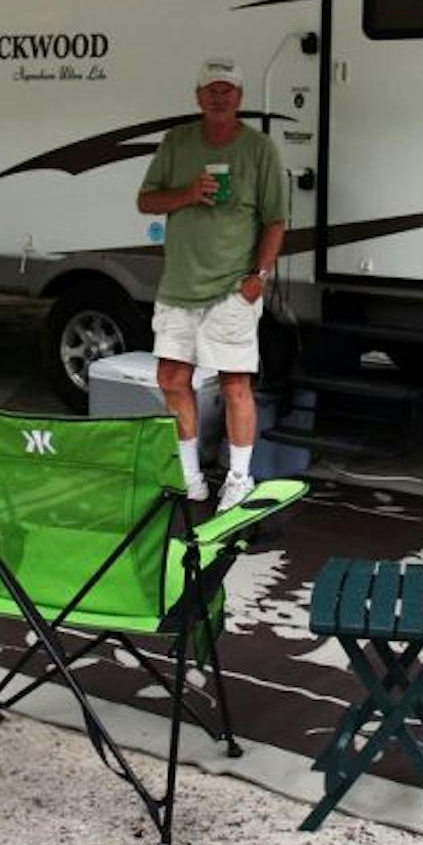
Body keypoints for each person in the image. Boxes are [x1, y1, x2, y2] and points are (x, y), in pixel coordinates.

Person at [136, 58, 287, 508]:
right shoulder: (177, 142)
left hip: (231, 288)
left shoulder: (259, 149)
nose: (219, 97)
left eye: (227, 90)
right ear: (198, 97)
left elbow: (275, 221)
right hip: (179, 284)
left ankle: (238, 479)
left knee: (235, 384)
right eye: (211, 90)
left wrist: (258, 277)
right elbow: (146, 200)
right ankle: (190, 476)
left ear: (239, 98)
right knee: (171, 378)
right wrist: (187, 194)